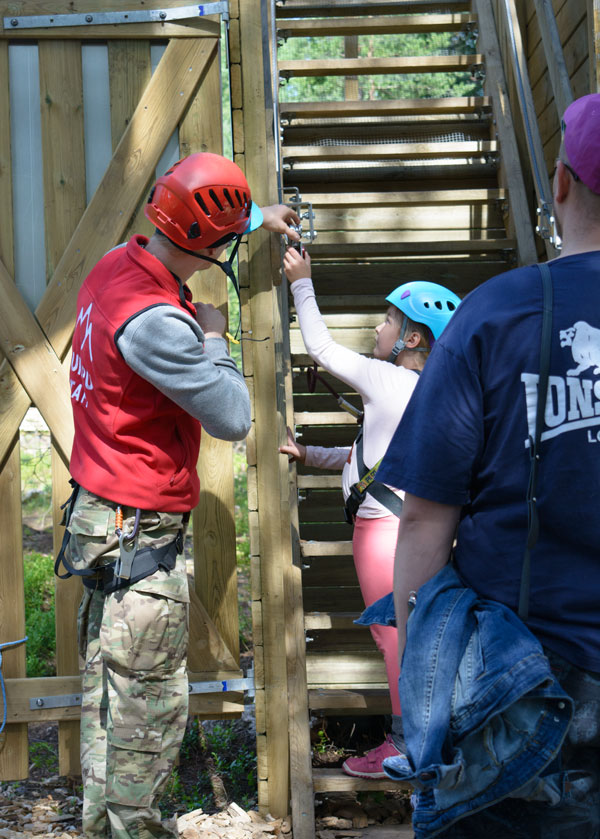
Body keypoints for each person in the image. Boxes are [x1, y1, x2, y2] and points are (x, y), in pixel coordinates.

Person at [57, 152, 300, 839]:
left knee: (109, 712)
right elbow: (231, 415)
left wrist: (257, 218)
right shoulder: (160, 323)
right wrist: (216, 338)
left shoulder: (116, 266)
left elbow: (197, 224)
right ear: (209, 244)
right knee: (146, 727)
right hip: (141, 544)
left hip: (105, 526)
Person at [377, 93, 600, 835]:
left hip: (521, 685)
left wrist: (424, 684)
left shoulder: (494, 314)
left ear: (560, 184)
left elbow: (422, 521)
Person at [279, 245, 460, 778]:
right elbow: (373, 457)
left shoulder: (388, 380)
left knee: (392, 635)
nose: (378, 328)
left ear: (411, 338)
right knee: (410, 632)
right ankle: (429, 740)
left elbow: (321, 347)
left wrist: (301, 282)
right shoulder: (430, 390)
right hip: (408, 523)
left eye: (387, 320)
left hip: (381, 531)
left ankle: (407, 746)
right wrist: (312, 455)